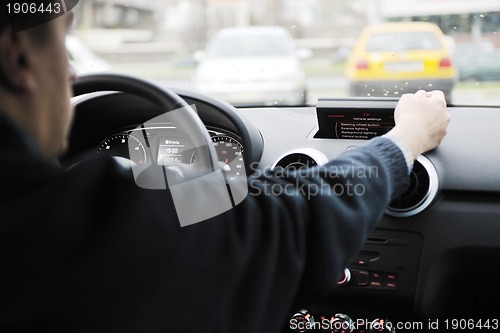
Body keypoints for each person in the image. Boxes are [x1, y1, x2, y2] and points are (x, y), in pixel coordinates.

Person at [0, 4, 450, 333]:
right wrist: (406, 138)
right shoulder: (80, 223)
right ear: (19, 58)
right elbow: (296, 225)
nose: (72, 73)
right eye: (64, 44)